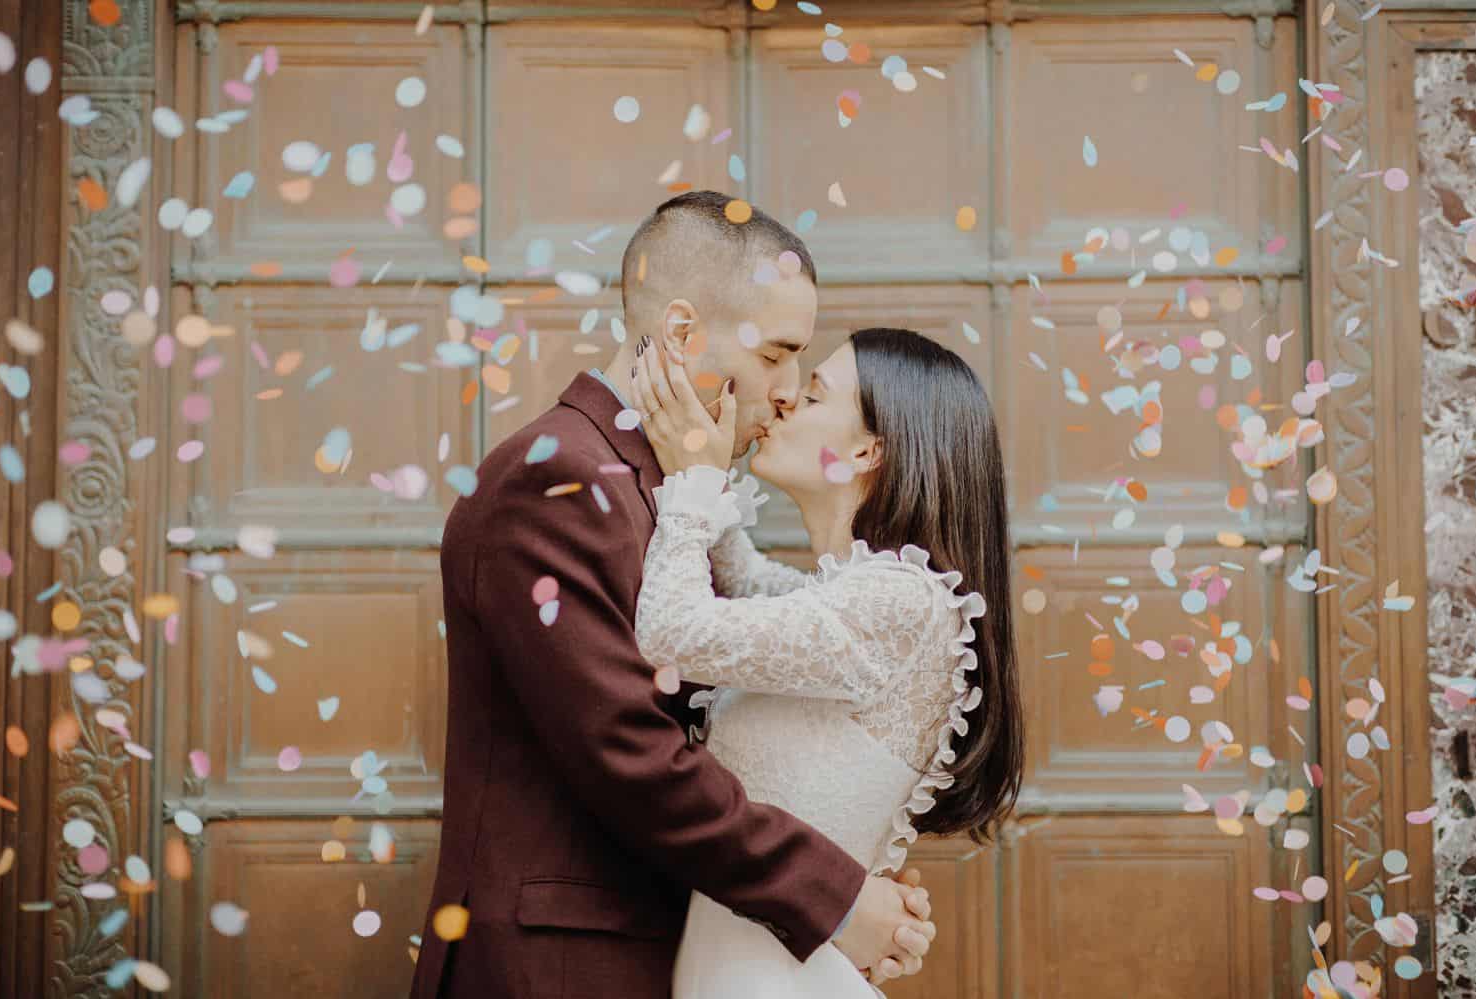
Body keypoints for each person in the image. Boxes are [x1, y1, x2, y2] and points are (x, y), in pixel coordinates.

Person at [410, 192, 935, 999]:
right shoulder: (556, 479)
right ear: (683, 333)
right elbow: (631, 753)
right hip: (559, 964)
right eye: (776, 356)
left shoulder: (664, 482)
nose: (789, 390)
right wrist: (834, 898)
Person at [627, 323, 1025, 998]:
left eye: (812, 395)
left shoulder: (901, 603)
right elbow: (745, 581)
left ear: (869, 448)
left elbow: (669, 630)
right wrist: (708, 453)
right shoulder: (851, 596)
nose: (784, 402)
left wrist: (693, 480)